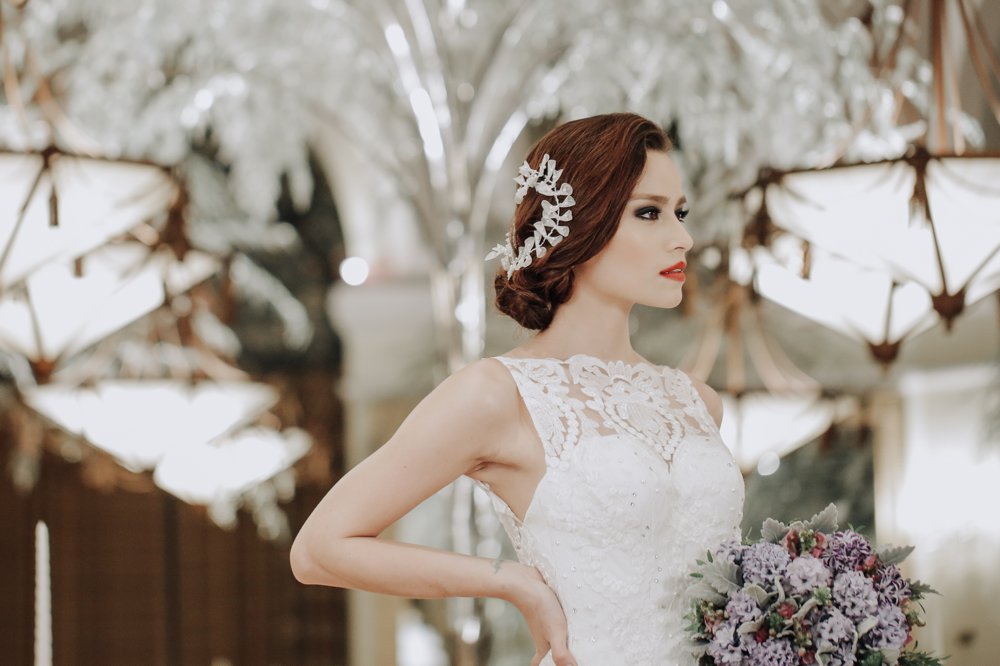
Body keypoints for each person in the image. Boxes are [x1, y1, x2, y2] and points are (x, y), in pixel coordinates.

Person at [291, 113, 745, 665]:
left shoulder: (697, 403)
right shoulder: (498, 393)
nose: (682, 237)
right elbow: (319, 549)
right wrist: (515, 583)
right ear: (583, 226)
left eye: (680, 213)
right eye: (649, 213)